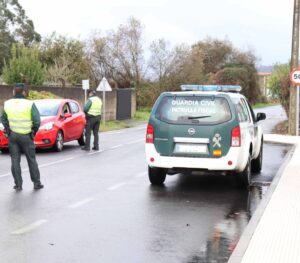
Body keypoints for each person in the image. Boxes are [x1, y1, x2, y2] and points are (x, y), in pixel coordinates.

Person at [1, 83, 44, 191]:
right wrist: (33, 131)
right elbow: (37, 121)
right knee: (31, 160)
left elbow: (3, 119)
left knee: (15, 161)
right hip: (26, 135)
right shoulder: (29, 104)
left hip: (13, 136)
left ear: (14, 91)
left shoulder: (7, 104)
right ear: (24, 92)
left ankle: (18, 185)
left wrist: (8, 130)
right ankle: (36, 183)